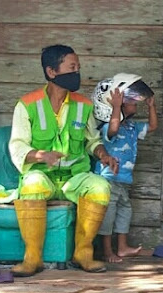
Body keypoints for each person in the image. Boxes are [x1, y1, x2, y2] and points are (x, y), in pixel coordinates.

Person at [8, 44, 119, 275]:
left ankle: (83, 254)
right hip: (43, 176)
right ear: (51, 72)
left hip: (74, 177)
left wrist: (103, 154)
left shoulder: (83, 105)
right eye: (72, 67)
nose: (77, 72)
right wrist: (40, 155)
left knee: (100, 187)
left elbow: (92, 141)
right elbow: (17, 146)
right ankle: (32, 258)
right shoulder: (27, 104)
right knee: (31, 184)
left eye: (78, 67)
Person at [92, 73, 158, 263]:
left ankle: (122, 247)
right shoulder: (108, 127)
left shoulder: (131, 127)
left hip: (124, 181)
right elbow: (113, 127)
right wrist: (115, 107)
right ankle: (107, 250)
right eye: (130, 101)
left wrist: (152, 107)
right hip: (108, 180)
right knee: (108, 216)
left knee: (124, 212)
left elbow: (152, 126)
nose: (135, 104)